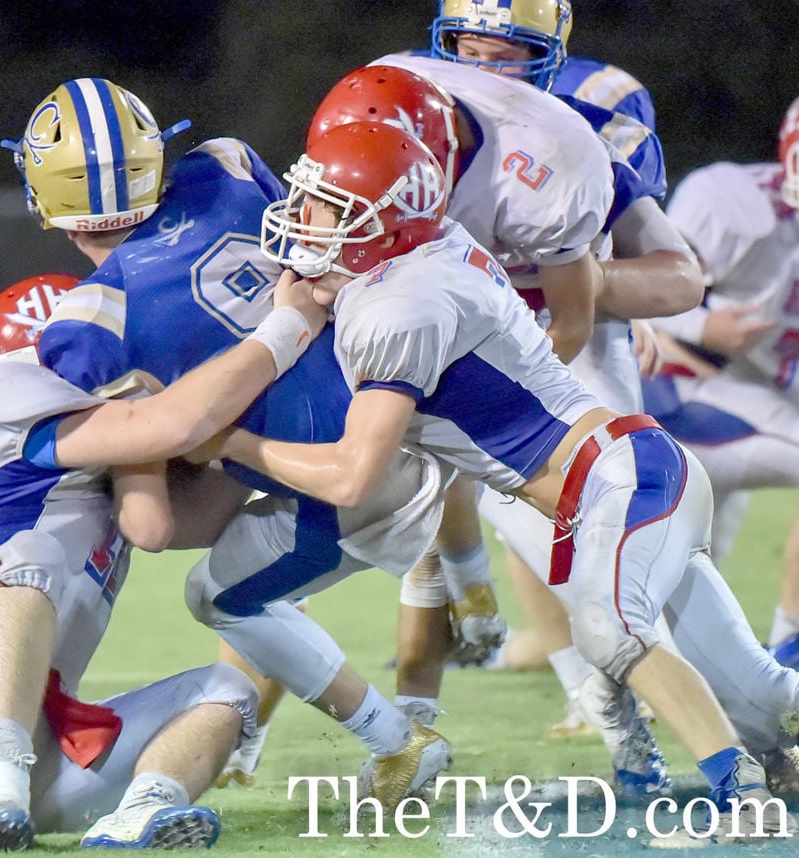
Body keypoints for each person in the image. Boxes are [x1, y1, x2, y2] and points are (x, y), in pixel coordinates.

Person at [199, 120, 799, 842]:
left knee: (610, 632)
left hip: (620, 479)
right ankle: (761, 766)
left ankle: (740, 797)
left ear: (382, 218)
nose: (304, 219)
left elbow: (353, 475)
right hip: (626, 476)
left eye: (326, 204)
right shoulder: (427, 253)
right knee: (760, 691)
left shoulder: (395, 308)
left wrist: (228, 439)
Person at [5, 77, 456, 811]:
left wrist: (147, 451)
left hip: (340, 478)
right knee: (247, 559)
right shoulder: (229, 166)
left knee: (220, 598)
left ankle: (396, 739)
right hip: (407, 403)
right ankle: (447, 603)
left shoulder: (88, 323)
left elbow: (151, 526)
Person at [0, 267, 328, 851]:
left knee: (228, 692)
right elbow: (161, 424)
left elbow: (175, 522)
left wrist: (269, 423)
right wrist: (285, 332)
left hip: (43, 737)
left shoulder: (106, 458)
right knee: (23, 556)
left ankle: (141, 812)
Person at [372, 0, 704, 753]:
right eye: (468, 47)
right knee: (453, 517)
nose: (483, 69)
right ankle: (458, 706)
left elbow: (669, 272)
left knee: (613, 531)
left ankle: (687, 693)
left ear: (549, 49)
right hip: (453, 332)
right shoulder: (408, 91)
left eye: (507, 52)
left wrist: (584, 286)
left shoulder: (595, 104)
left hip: (563, 332)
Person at [643, 95, 799, 658]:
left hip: (745, 405)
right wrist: (706, 325)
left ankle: (579, 680)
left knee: (683, 593)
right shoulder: (732, 205)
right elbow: (642, 287)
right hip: (678, 396)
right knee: (667, 590)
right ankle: (789, 658)